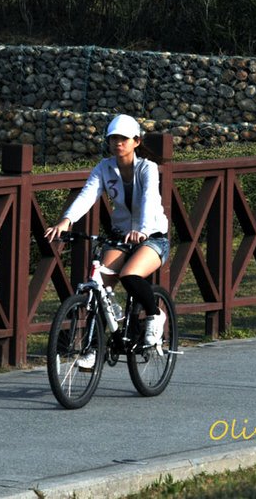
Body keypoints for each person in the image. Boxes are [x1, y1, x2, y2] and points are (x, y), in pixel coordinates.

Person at [44, 114, 170, 365]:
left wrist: (143, 230)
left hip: (153, 237)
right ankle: (94, 350)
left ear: (136, 141)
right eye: (113, 138)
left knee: (130, 276)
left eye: (123, 139)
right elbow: (87, 195)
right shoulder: (104, 168)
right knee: (99, 286)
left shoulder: (148, 168)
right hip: (122, 236)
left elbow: (149, 200)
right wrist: (66, 221)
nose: (117, 143)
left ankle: (156, 315)